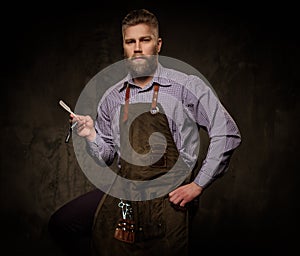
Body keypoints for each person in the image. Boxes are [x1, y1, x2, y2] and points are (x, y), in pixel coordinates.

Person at [48, 8, 241, 256]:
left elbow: (227, 133)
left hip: (169, 196)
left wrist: (198, 185)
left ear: (158, 44)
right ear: (124, 47)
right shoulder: (112, 97)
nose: (137, 48)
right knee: (63, 225)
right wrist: (92, 135)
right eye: (130, 42)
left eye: (144, 40)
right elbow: (107, 157)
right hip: (127, 193)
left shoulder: (185, 87)